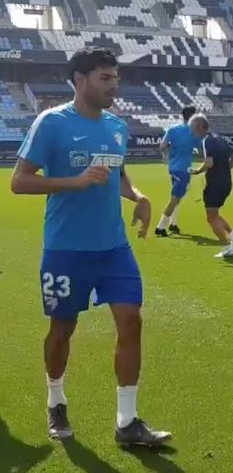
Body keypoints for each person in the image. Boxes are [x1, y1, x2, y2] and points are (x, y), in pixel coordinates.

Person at [10, 47, 171, 445]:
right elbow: (20, 181)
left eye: (115, 78)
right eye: (105, 78)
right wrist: (73, 182)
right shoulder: (51, 123)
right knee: (63, 328)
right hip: (66, 249)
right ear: (79, 80)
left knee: (131, 321)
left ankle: (127, 422)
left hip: (113, 248)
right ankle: (56, 400)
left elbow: (118, 174)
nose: (113, 86)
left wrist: (139, 196)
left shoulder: (117, 126)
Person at [189, 114, 233, 258]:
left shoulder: (207, 141)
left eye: (192, 128)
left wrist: (197, 171)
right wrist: (225, 169)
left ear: (200, 127)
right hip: (226, 182)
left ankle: (227, 247)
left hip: (215, 184)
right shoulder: (219, 138)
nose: (191, 132)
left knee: (211, 217)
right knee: (215, 213)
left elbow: (209, 163)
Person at [155, 105, 198, 237]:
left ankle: (173, 224)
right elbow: (200, 146)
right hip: (183, 169)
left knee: (178, 196)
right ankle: (160, 227)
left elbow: (162, 146)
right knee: (174, 198)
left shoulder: (173, 129)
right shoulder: (193, 131)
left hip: (173, 168)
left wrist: (168, 154)